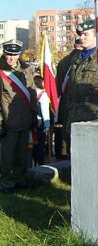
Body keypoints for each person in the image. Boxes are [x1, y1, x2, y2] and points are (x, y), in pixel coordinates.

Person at [0, 40, 38, 193]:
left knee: (23, 154)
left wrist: (34, 114)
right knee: (7, 157)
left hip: (25, 119)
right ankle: (6, 183)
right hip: (8, 121)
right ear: (4, 53)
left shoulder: (26, 69)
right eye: (9, 54)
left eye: (14, 55)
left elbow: (32, 93)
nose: (11, 58)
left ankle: (20, 180)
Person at [66, 19, 98, 142]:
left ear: (96, 35)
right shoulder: (76, 58)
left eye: (86, 34)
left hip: (93, 116)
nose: (81, 38)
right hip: (75, 115)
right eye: (81, 34)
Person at [54, 37, 83, 158]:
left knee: (65, 129)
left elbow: (57, 86)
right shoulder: (82, 59)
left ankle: (63, 154)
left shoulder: (63, 61)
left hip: (65, 100)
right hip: (81, 101)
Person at [33, 75, 51, 166]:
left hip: (31, 121)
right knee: (40, 144)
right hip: (40, 122)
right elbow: (45, 110)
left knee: (33, 144)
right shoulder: (42, 94)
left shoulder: (30, 92)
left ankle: (33, 162)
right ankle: (41, 164)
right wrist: (47, 125)